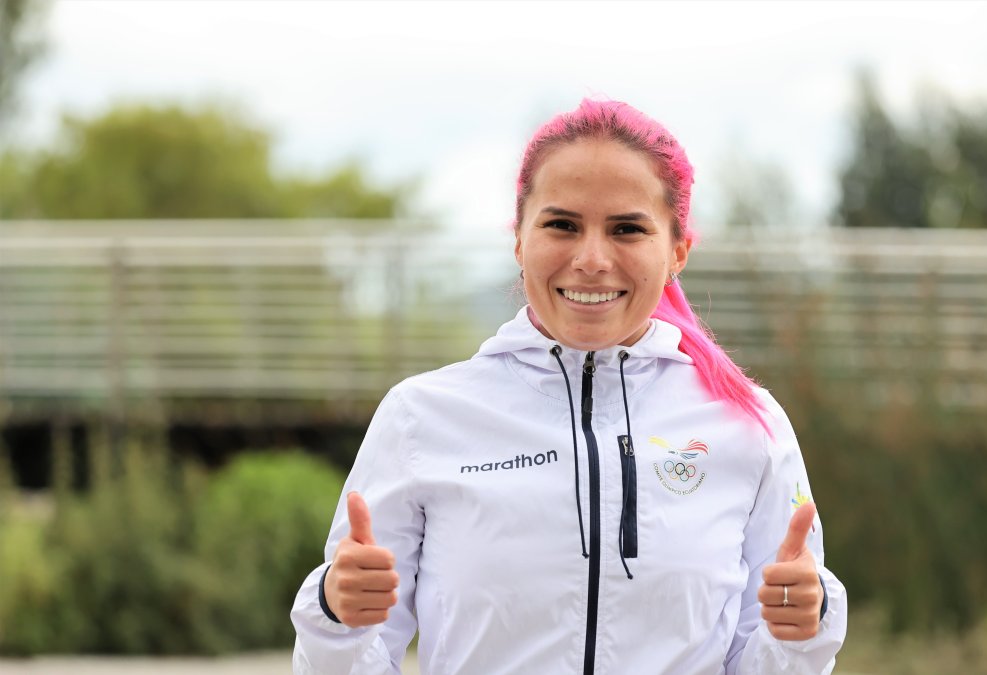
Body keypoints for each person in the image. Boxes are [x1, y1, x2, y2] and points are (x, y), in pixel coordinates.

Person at [291, 99, 847, 674]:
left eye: (627, 229)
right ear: (518, 240)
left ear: (678, 251)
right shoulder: (420, 418)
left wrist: (800, 634)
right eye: (562, 225)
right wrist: (337, 617)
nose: (591, 259)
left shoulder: (749, 426)